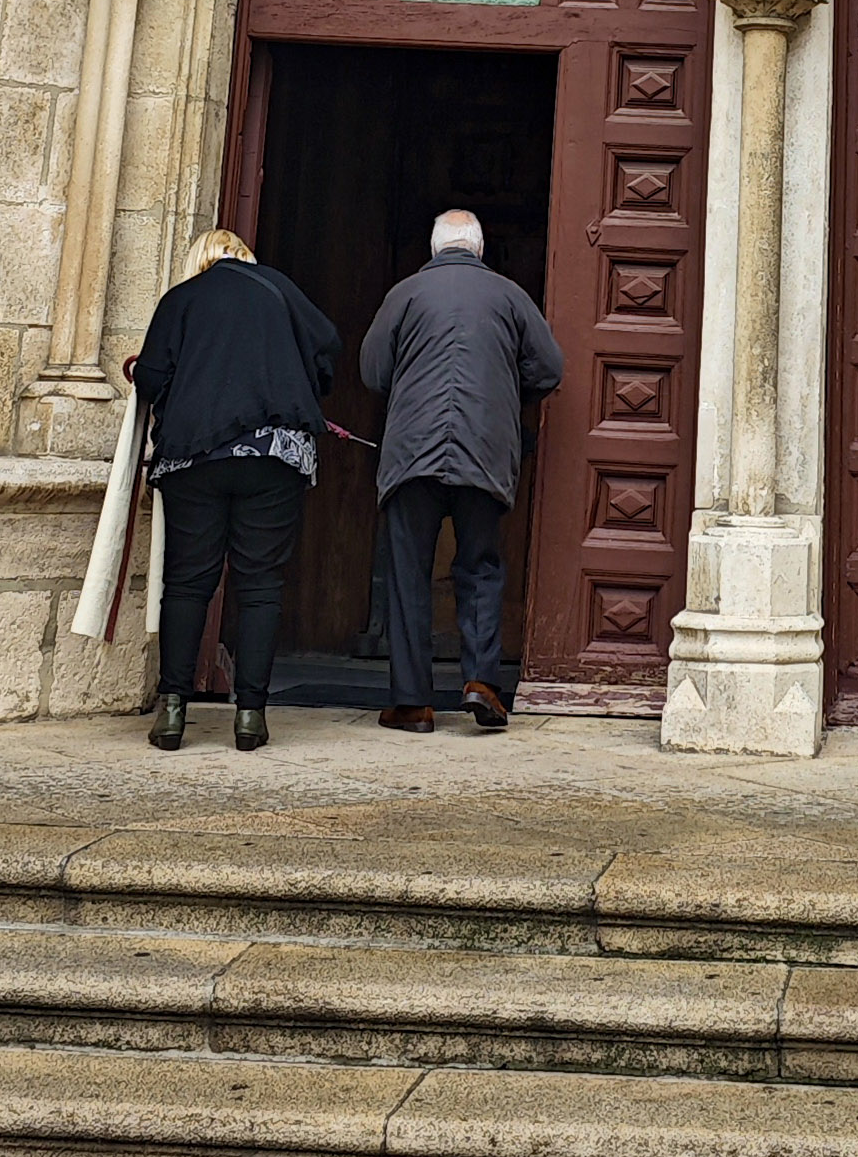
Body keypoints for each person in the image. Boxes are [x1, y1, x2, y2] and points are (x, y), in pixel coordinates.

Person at [130, 226, 338, 756]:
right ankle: (251, 715)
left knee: (187, 581)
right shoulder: (281, 291)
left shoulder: (182, 298)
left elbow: (151, 379)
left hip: (195, 456)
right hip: (274, 454)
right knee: (261, 583)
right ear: (247, 257)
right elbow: (326, 353)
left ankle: (173, 710)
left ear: (201, 260)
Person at [360, 210, 562, 730]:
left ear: (434, 249)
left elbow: (373, 371)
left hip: (411, 454)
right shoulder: (510, 295)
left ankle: (412, 702)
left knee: (408, 572)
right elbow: (549, 368)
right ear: (478, 248)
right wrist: (508, 395)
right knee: (480, 567)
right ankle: (481, 684)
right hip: (485, 450)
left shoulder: (403, 294)